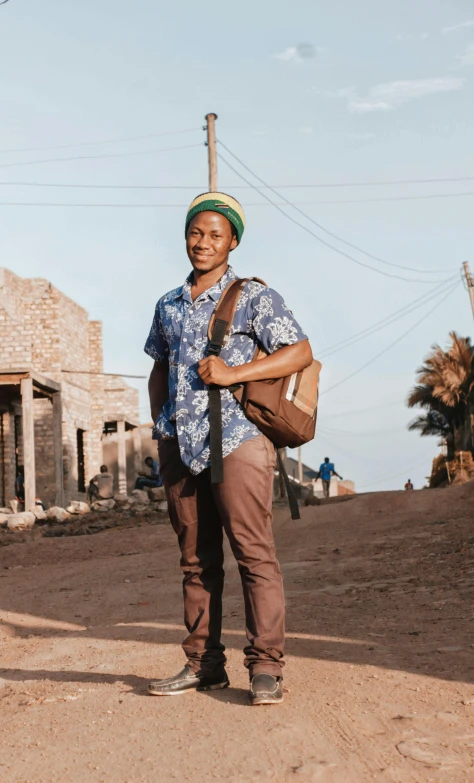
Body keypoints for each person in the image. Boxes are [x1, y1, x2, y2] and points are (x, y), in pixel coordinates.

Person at [144, 191, 312, 705]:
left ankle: (266, 668)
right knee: (196, 562)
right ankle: (204, 665)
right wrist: (161, 424)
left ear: (232, 241)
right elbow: (159, 366)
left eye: (215, 234)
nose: (203, 242)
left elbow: (299, 351)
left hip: (237, 441)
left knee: (253, 555)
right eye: (196, 232)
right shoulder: (168, 304)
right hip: (182, 445)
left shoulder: (255, 297)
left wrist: (236, 373)